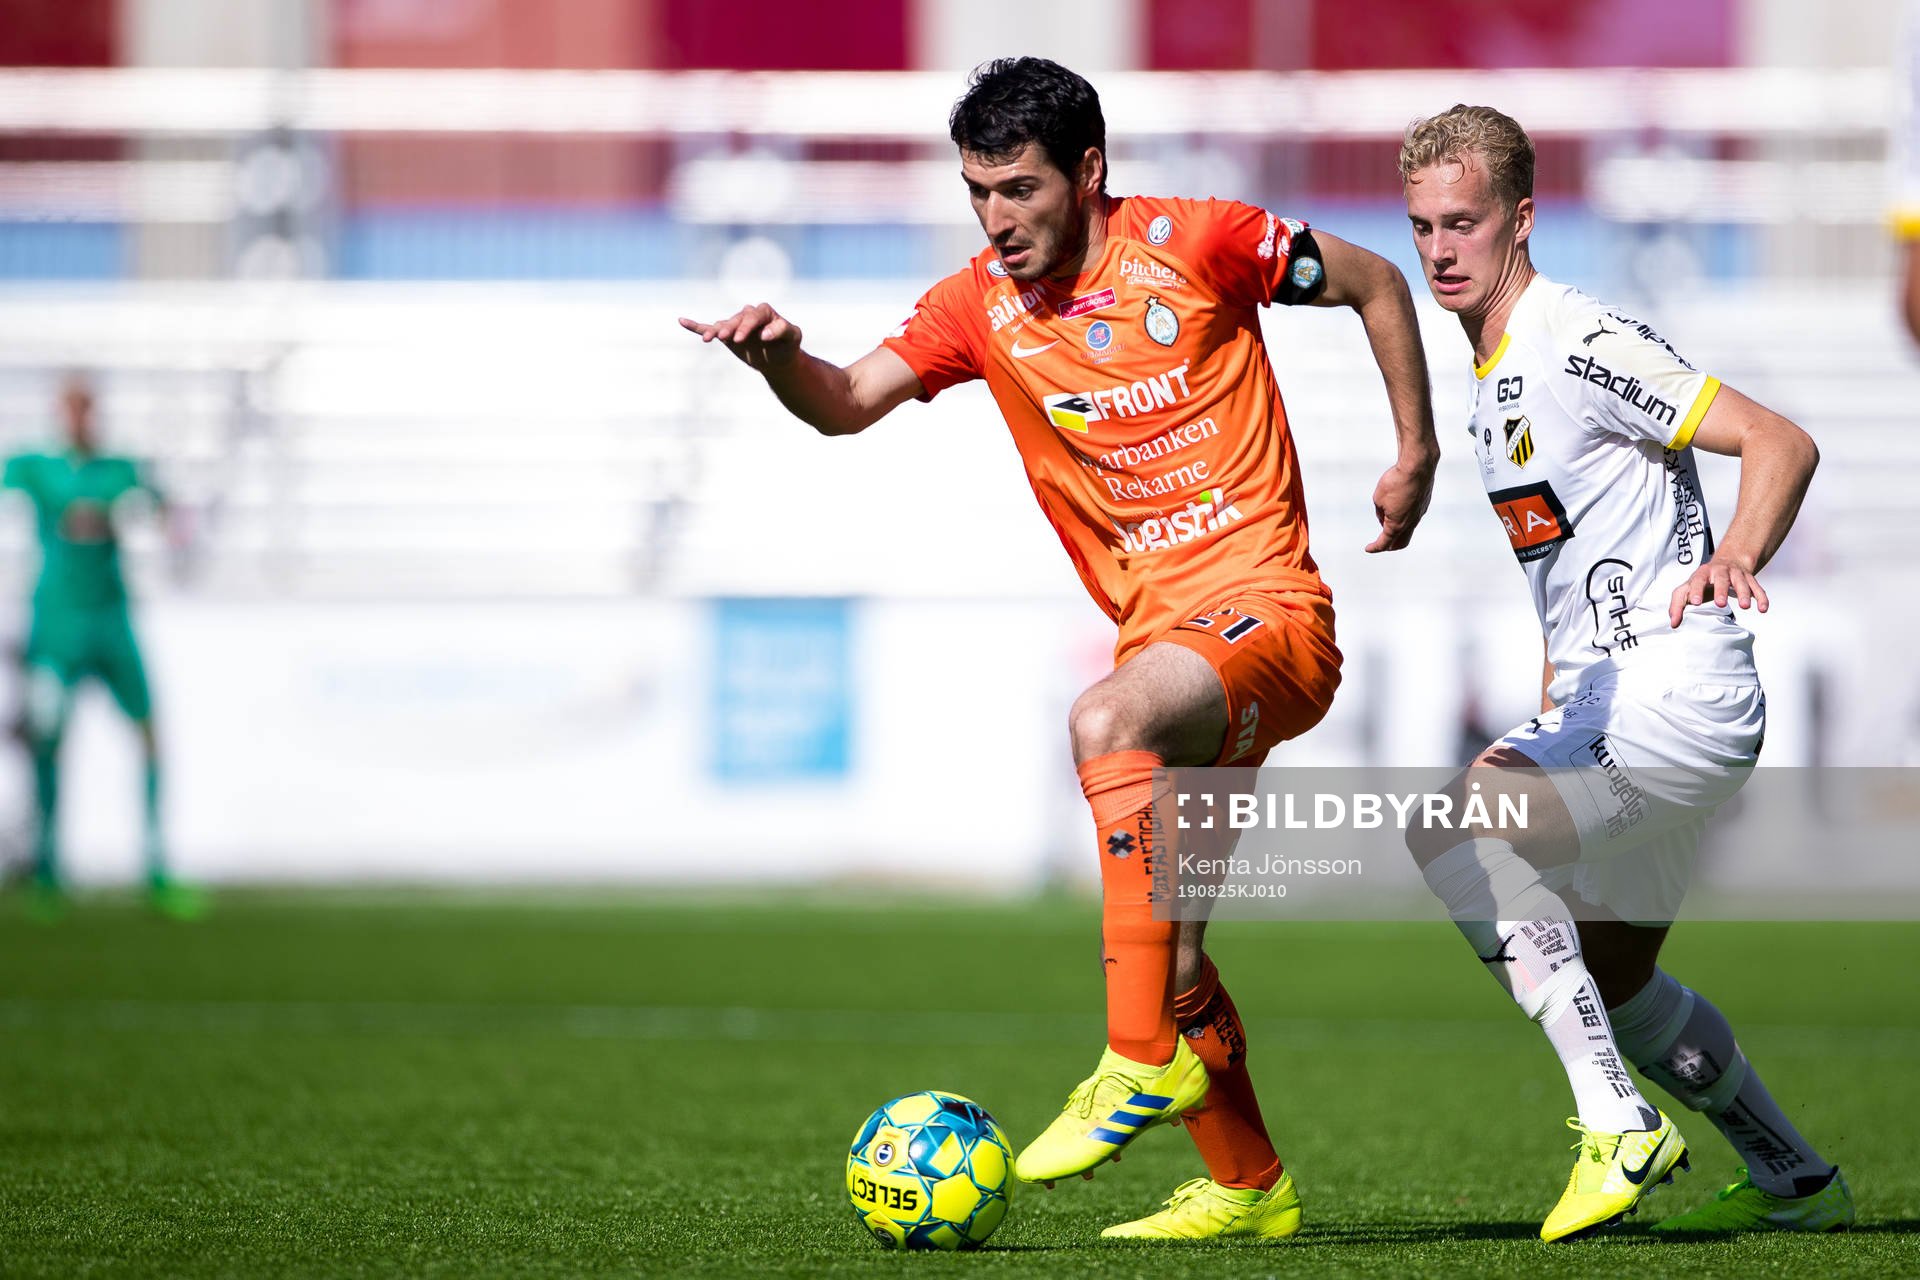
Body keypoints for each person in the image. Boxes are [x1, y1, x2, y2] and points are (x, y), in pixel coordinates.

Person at [684, 57, 1439, 1241]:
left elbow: (1379, 282)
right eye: (978, 190)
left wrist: (1416, 453)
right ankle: (1250, 1186)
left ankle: (1134, 1059)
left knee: (1105, 720)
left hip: (1270, 614)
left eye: (1019, 189)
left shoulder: (1203, 241)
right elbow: (845, 401)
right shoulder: (975, 306)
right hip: (1176, 645)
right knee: (1179, 950)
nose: (997, 217)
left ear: (1089, 172)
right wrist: (781, 356)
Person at [1399, 105, 1850, 1240]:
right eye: (1423, 226)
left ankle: (1618, 1123)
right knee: (1616, 973)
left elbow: (1779, 439)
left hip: (1674, 696)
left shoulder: (1573, 337)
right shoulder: (1490, 372)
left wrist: (1737, 554)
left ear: (1523, 217)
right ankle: (1796, 1173)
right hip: (1626, 706)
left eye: (1466, 221)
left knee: (1456, 831)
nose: (1442, 248)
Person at [3, 374, 199, 920]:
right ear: (58, 413)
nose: (80, 418)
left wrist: (170, 520)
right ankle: (47, 871)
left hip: (112, 621)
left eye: (87, 408)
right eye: (71, 408)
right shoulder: (36, 466)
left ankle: (156, 867)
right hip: (56, 625)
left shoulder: (121, 469)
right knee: (49, 738)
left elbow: (168, 515)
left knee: (148, 733)